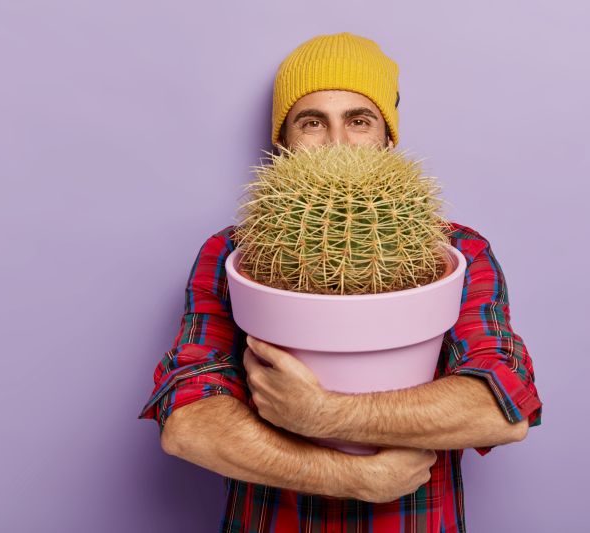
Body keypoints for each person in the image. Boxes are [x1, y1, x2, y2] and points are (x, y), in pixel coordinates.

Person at [138, 31, 543, 532]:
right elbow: (188, 423)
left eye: (359, 121)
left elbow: (503, 407)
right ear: (282, 143)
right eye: (312, 123)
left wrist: (321, 413)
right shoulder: (232, 253)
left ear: (388, 138)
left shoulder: (456, 250)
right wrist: (353, 476)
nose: (336, 143)